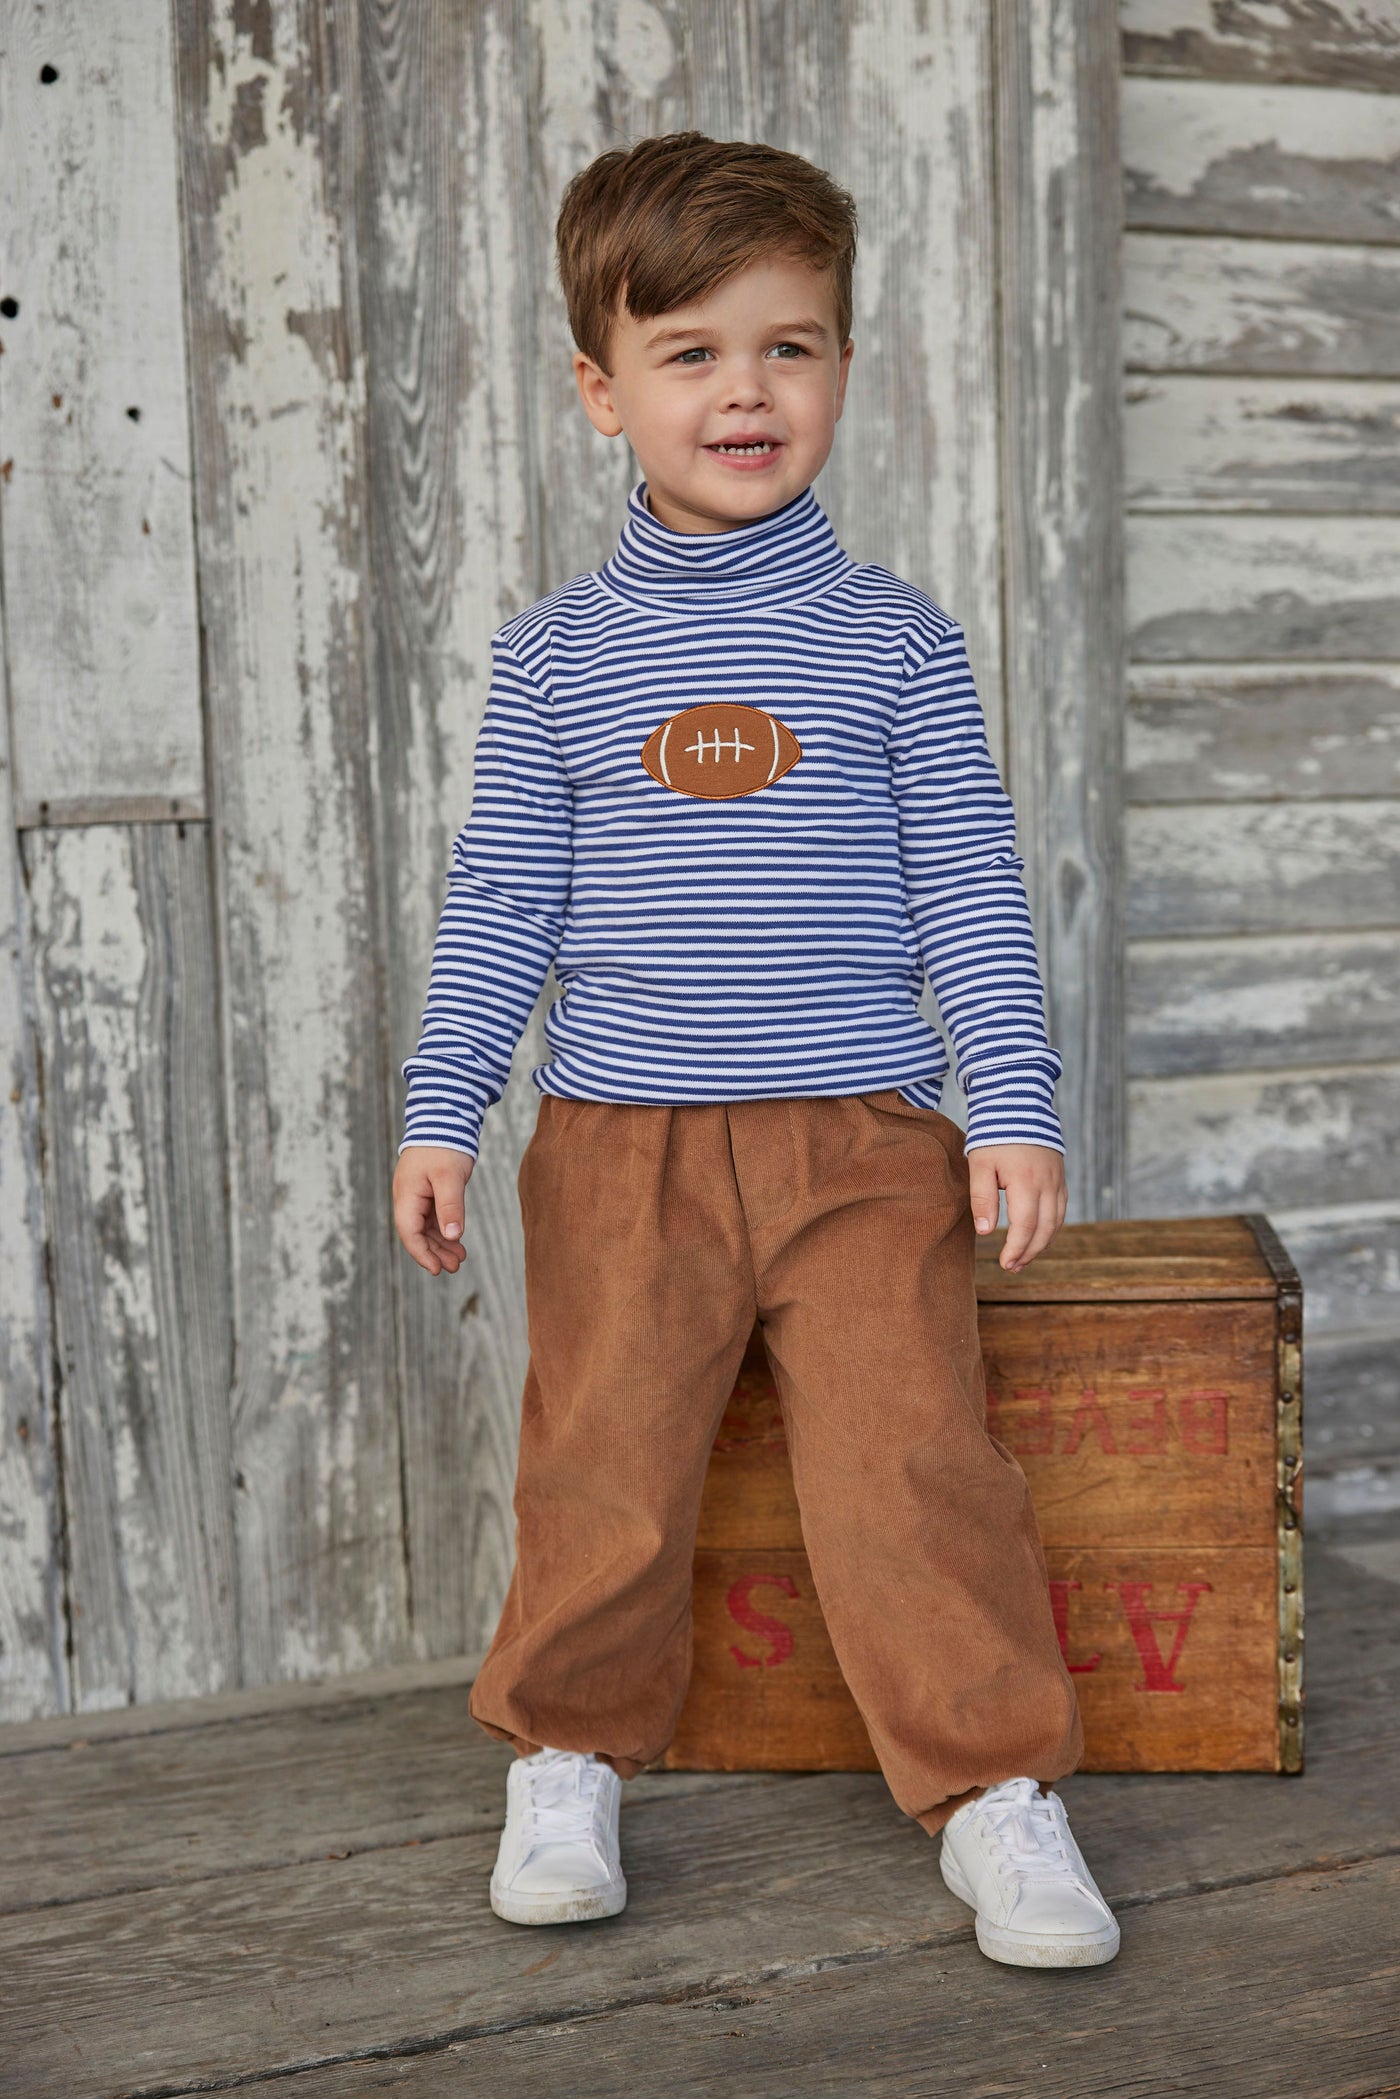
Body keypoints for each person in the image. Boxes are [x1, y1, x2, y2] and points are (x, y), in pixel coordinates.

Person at [392, 132, 1119, 1971]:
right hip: (620, 1147)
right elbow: (503, 905)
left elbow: (970, 885)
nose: (746, 391)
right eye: (692, 352)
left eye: (789, 347)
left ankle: (993, 1791)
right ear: (601, 389)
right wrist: (443, 1111)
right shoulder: (555, 660)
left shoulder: (898, 644)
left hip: (864, 1142)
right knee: (603, 1465)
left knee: (914, 1465)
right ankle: (568, 1757)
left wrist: (1011, 1104)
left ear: (845, 369)